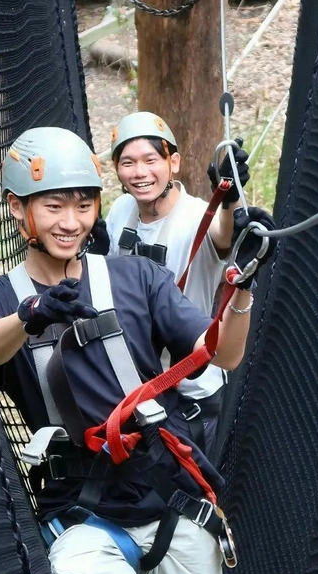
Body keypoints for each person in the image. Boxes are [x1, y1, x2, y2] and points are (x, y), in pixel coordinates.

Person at [0, 126, 276, 574]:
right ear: (18, 210)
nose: (71, 220)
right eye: (53, 205)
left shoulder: (134, 278)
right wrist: (30, 317)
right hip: (80, 512)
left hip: (168, 494)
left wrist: (240, 287)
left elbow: (222, 351)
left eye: (83, 203)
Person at [105, 111, 250, 459]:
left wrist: (228, 200)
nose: (139, 173)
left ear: (174, 162)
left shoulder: (197, 216)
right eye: (128, 163)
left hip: (190, 391)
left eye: (150, 160)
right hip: (134, 387)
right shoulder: (121, 210)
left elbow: (223, 236)